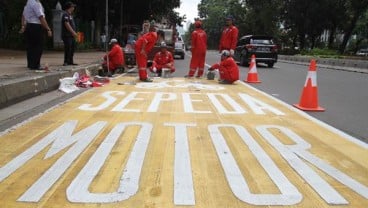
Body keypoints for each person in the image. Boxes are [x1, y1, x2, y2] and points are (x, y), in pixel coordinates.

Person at [21, 0, 52, 70]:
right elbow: (41, 17)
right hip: (36, 26)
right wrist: (48, 28)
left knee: (30, 46)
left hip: (29, 26)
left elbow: (23, 15)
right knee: (38, 46)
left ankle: (30, 64)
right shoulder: (36, 4)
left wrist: (23, 26)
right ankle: (36, 65)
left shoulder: (28, 3)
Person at [61, 1, 78, 66]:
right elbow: (66, 24)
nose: (73, 8)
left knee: (72, 48)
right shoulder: (65, 14)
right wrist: (73, 32)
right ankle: (66, 61)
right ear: (69, 7)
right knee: (68, 48)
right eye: (72, 6)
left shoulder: (70, 15)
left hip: (71, 35)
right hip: (67, 35)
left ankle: (70, 61)